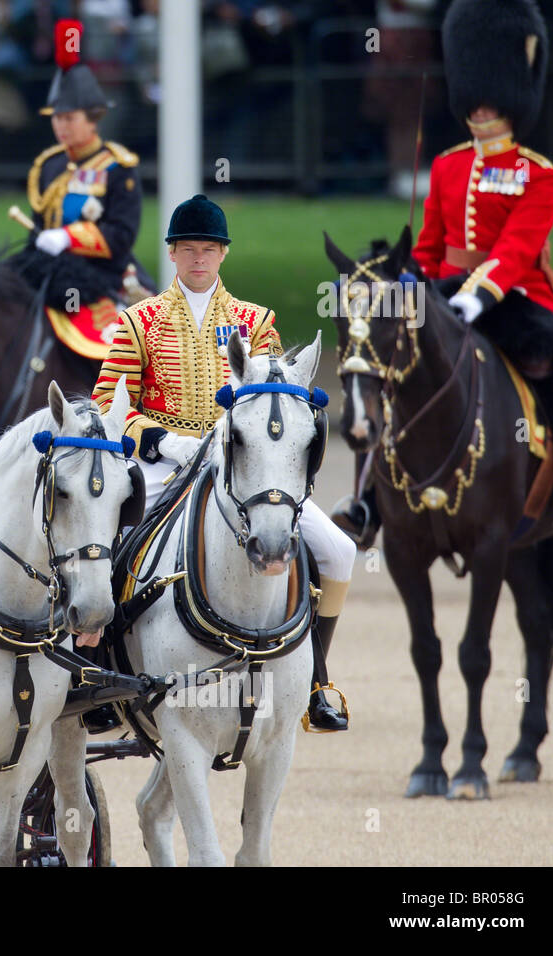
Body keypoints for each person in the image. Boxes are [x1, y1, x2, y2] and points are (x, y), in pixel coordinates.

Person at [93, 194, 356, 733]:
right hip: (162, 464)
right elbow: (105, 407)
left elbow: (281, 403)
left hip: (244, 467)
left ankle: (315, 681)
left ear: (223, 255)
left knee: (340, 551)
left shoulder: (255, 322)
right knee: (109, 542)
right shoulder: (137, 322)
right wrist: (163, 442)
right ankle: (99, 670)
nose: (198, 259)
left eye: (208, 250)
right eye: (188, 249)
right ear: (171, 253)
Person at [334, 0, 553, 541]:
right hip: (444, 292)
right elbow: (430, 244)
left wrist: (477, 297)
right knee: (386, 366)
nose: (481, 108)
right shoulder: (447, 164)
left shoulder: (538, 174)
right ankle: (369, 498)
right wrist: (406, 286)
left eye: (492, 98)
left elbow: (516, 249)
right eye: (475, 96)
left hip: (517, 298)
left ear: (514, 97)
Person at [12, 19, 153, 357]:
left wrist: (69, 238)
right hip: (48, 269)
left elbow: (121, 235)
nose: (61, 126)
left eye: (70, 118)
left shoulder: (119, 168)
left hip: (102, 276)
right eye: (56, 117)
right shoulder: (49, 165)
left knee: (125, 348)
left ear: (94, 118)